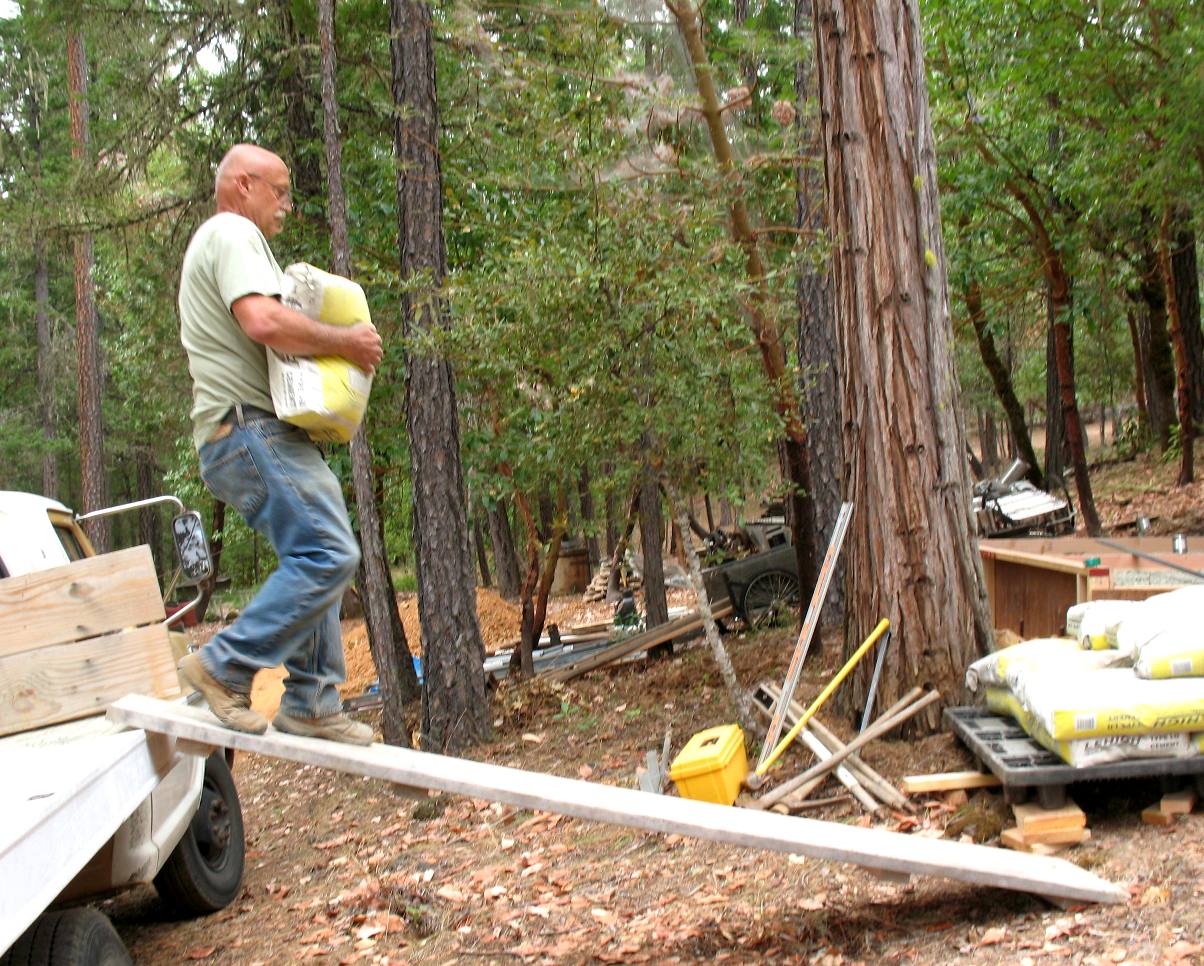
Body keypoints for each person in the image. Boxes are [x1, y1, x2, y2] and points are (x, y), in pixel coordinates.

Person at [176, 144, 383, 745]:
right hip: (248, 429)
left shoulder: (222, 240)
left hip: (248, 432)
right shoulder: (232, 233)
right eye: (280, 190)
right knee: (329, 554)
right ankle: (222, 667)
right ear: (243, 185)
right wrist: (346, 341)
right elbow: (263, 323)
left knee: (313, 554)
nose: (287, 206)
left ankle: (312, 701)